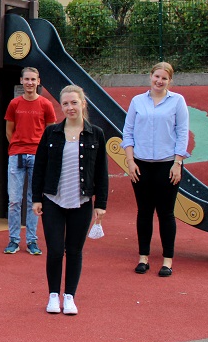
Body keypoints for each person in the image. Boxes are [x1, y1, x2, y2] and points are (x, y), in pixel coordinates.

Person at [32, 85, 108, 315]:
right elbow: (40, 167)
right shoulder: (52, 133)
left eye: (74, 102)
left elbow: (101, 172)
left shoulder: (96, 134)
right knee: (55, 250)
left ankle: (70, 296)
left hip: (82, 201)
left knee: (74, 250)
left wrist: (101, 203)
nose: (70, 107)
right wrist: (37, 198)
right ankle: (53, 295)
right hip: (53, 200)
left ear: (83, 103)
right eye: (65, 103)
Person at [122, 62, 189, 277]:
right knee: (144, 212)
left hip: (168, 165)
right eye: (156, 76)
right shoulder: (137, 101)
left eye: (164, 78)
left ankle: (167, 260)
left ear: (170, 81)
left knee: (166, 213)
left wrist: (177, 163)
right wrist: (130, 162)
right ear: (150, 76)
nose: (159, 81)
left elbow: (182, 133)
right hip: (140, 165)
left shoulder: (177, 101)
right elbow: (128, 132)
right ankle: (143, 258)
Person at [4, 67, 57, 255]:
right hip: (17, 155)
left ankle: (32, 240)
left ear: (38, 81)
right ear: (21, 81)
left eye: (33, 79)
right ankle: (14, 240)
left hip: (38, 156)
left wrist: (42, 152)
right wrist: (17, 147)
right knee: (14, 200)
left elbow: (51, 132)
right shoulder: (14, 104)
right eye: (26, 79)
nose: (29, 83)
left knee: (34, 200)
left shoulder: (45, 104)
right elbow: (9, 130)